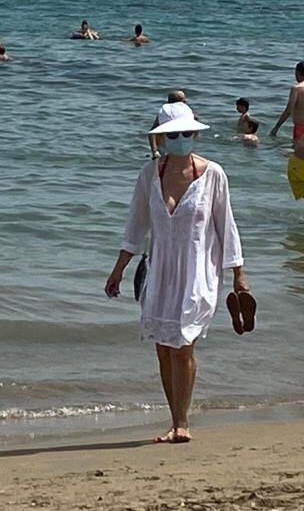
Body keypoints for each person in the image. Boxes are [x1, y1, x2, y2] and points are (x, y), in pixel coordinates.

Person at [105, 110, 253, 444]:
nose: (180, 140)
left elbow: (226, 227)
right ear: (161, 137)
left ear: (195, 134)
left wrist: (238, 277)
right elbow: (136, 226)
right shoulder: (149, 175)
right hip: (160, 272)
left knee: (183, 346)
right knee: (163, 350)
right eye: (172, 135)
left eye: (185, 133)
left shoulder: (213, 174)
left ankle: (182, 423)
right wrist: (118, 271)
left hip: (197, 273)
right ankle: (173, 420)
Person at [269, 61, 304, 142]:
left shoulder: (297, 88)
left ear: (297, 72)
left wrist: (276, 127)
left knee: (298, 153)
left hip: (302, 128)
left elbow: (289, 110)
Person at [149, 91, 192, 159]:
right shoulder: (166, 115)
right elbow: (152, 133)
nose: (185, 103)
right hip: (165, 147)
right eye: (183, 101)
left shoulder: (186, 113)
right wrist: (155, 151)